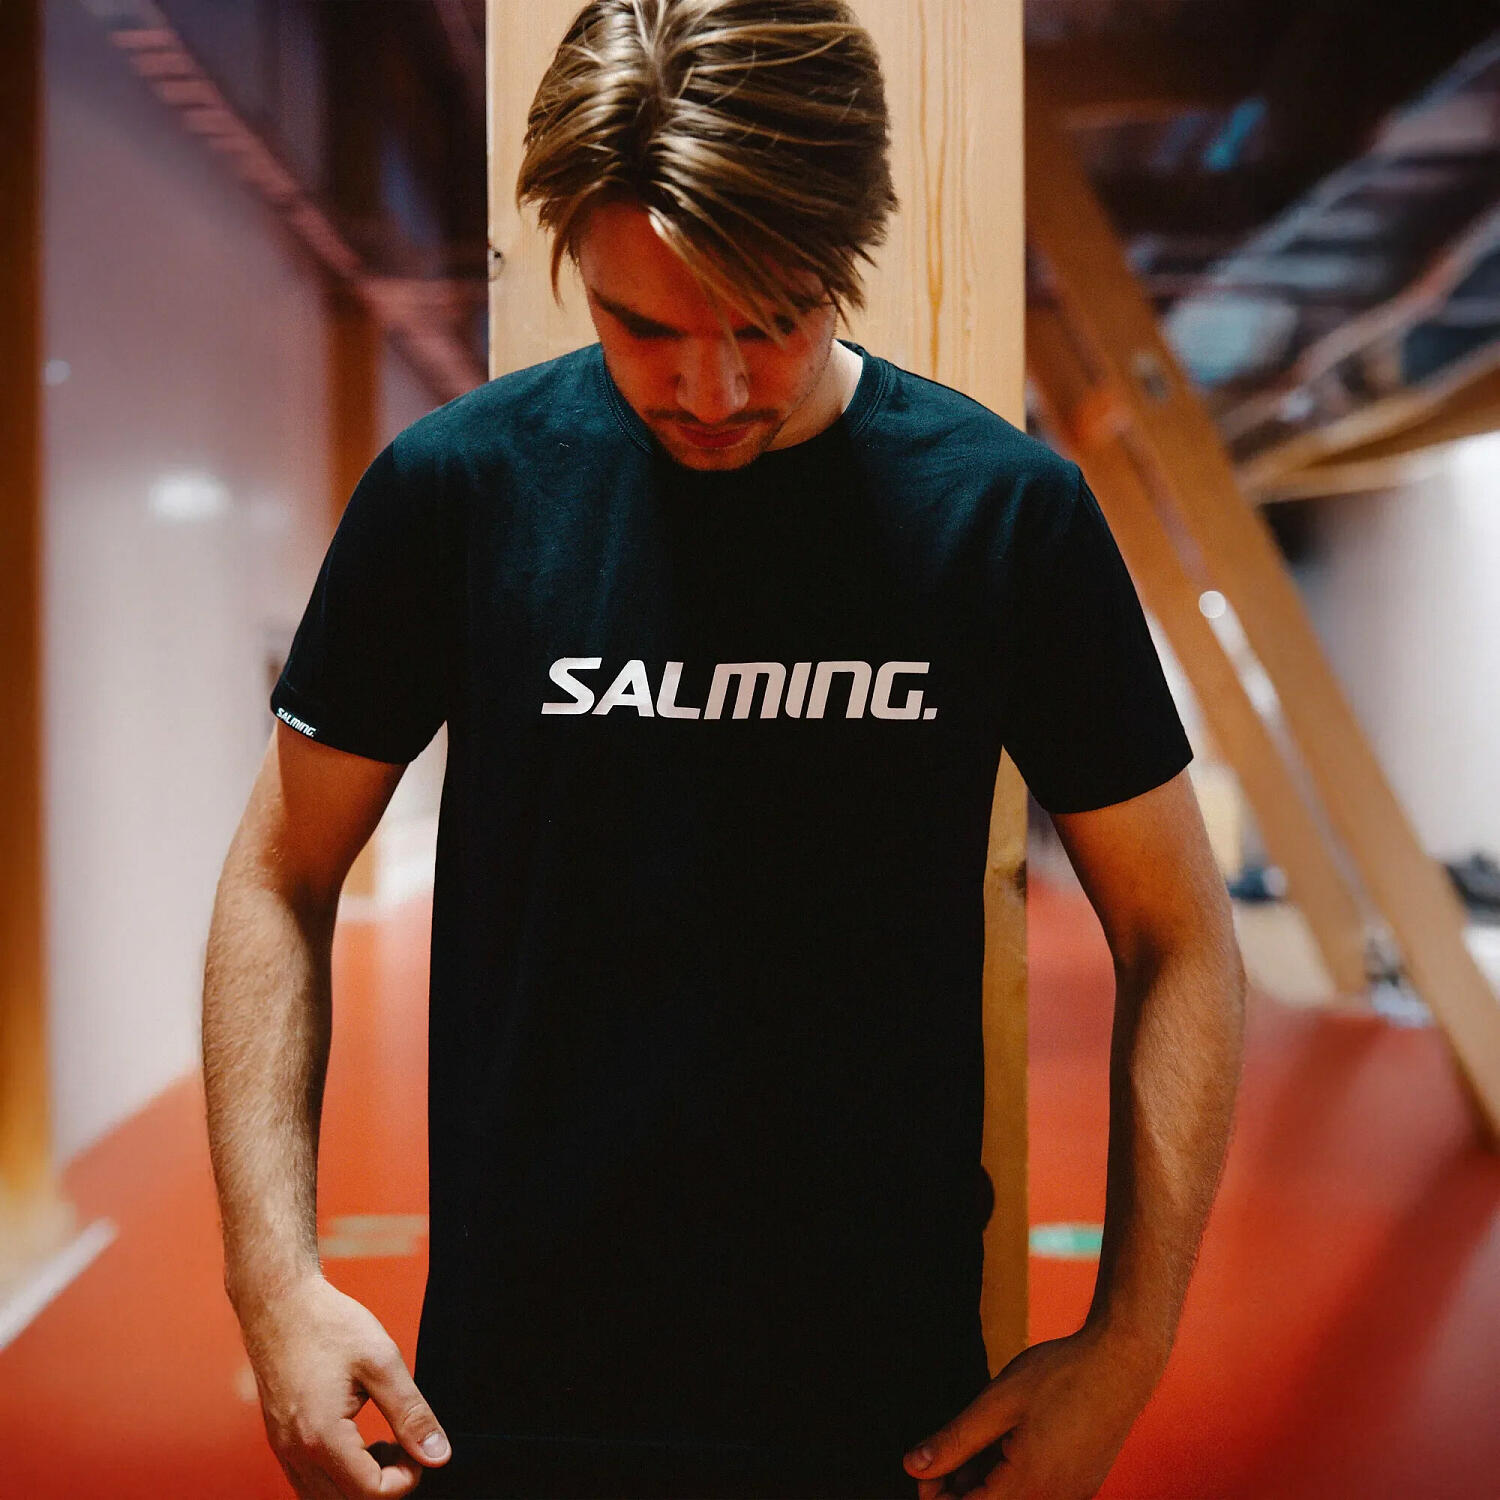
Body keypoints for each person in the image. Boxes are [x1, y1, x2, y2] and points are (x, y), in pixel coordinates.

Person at [202, 2, 1246, 1497]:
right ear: (574, 259)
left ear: (847, 256)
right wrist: (272, 1284)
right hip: (516, 1398)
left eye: (772, 321)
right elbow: (278, 874)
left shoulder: (1002, 518)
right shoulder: (459, 495)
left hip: (883, 1409)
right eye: (645, 328)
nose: (712, 392)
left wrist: (1131, 1342)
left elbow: (1179, 931)